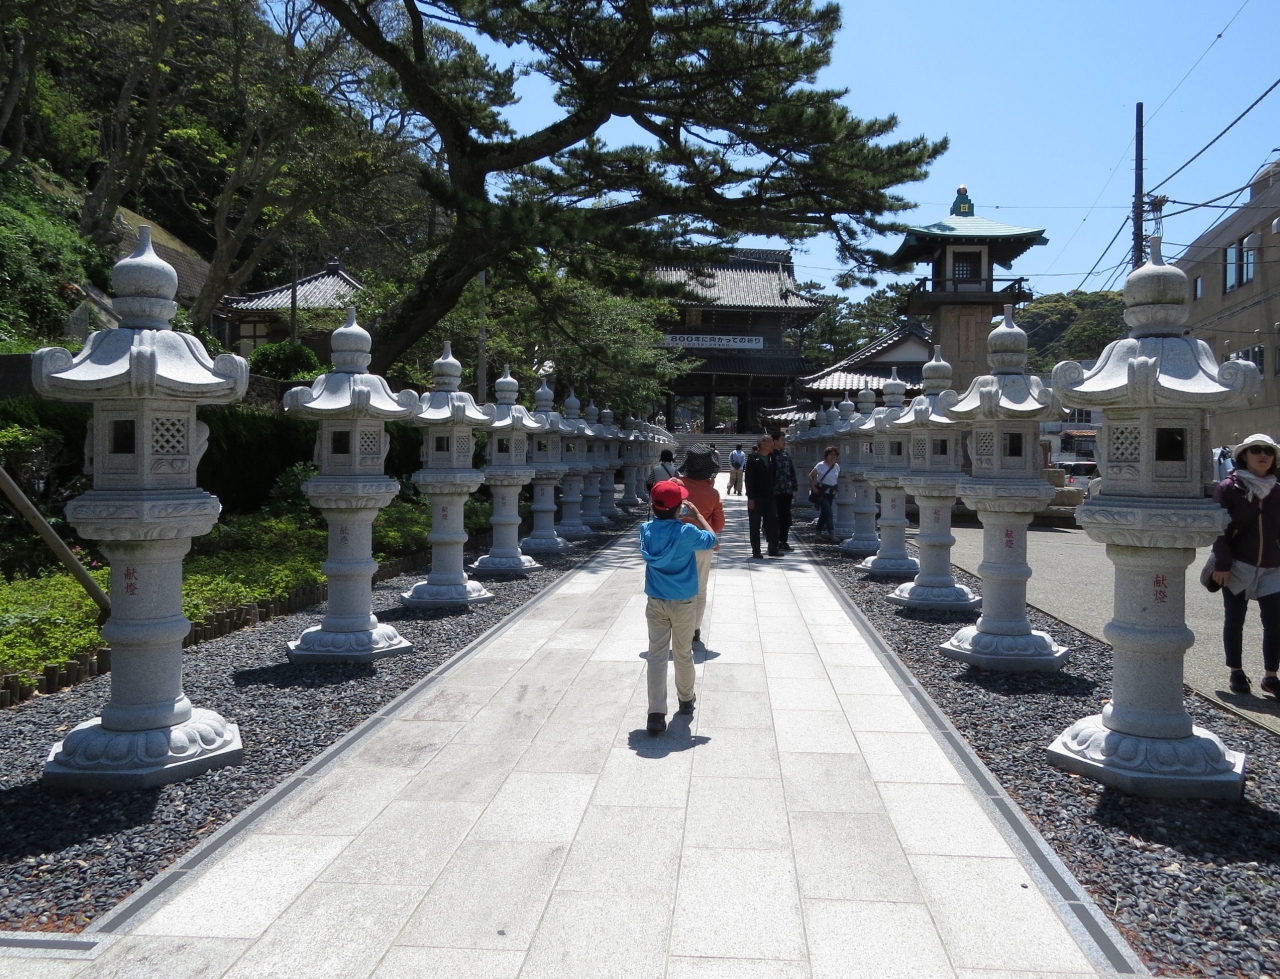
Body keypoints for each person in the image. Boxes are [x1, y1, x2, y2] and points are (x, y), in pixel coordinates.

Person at [641, 480, 718, 735]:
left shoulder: (646, 532)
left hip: (656, 601)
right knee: (683, 652)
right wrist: (696, 515)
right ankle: (685, 699)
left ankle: (655, 712)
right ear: (679, 509)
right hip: (684, 601)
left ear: (653, 506)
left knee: (657, 655)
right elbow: (712, 540)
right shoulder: (687, 532)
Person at [1212, 434, 1280, 697]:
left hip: (1273, 567)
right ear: (1244, 456)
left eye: (1268, 451)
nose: (1263, 455)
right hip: (1237, 565)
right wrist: (1223, 563)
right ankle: (1236, 671)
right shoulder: (1229, 487)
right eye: (1256, 450)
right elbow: (1220, 529)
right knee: (1235, 619)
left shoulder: (1277, 490)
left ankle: (1271, 676)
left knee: (1275, 622)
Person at [675, 446, 725, 644]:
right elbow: (719, 524)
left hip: (677, 543)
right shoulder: (712, 493)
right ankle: (694, 628)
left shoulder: (676, 485)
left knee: (678, 585)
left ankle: (678, 623)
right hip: (703, 545)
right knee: (700, 588)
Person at [745, 433, 780, 558]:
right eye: (770, 442)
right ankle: (756, 550)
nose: (772, 444)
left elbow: (776, 475)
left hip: (770, 496)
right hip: (756, 497)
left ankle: (773, 548)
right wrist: (750, 497)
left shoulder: (772, 457)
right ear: (762, 444)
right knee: (755, 524)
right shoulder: (753, 458)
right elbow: (749, 479)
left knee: (773, 522)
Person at [771, 431, 798, 552]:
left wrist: (794, 488)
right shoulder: (770, 456)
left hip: (786, 491)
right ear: (775, 441)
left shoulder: (786, 455)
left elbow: (792, 472)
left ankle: (783, 540)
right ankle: (774, 540)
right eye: (782, 440)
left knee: (785, 517)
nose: (784, 442)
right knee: (774, 517)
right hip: (774, 492)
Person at [808, 446, 840, 539]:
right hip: (822, 493)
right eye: (831, 454)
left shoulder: (836, 466)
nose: (833, 457)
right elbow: (810, 475)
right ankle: (832, 533)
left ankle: (818, 533)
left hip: (831, 493)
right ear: (826, 455)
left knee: (824, 513)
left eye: (835, 455)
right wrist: (813, 486)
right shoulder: (821, 465)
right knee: (829, 512)